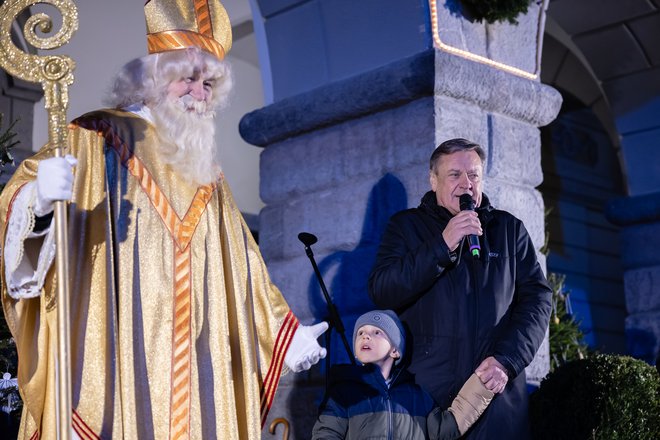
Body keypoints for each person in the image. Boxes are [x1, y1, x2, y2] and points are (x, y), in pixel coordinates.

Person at [0, 1, 328, 438]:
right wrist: (38, 197)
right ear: (152, 80)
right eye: (188, 78)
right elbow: (18, 213)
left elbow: (243, 265)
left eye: (209, 83)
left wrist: (284, 332)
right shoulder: (95, 136)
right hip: (112, 353)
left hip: (197, 365)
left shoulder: (206, 173)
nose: (199, 92)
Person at [368, 138, 553, 439]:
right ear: (434, 180)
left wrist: (508, 360)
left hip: (495, 399)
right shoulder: (406, 227)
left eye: (474, 175)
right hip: (427, 401)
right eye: (455, 175)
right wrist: (442, 245)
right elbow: (382, 290)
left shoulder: (508, 230)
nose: (466, 184)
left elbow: (537, 301)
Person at [311, 309, 493, 439]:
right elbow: (326, 433)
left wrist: (483, 383)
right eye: (360, 333)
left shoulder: (417, 396)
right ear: (357, 353)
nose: (366, 336)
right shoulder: (344, 392)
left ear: (395, 351)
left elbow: (446, 429)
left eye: (377, 332)